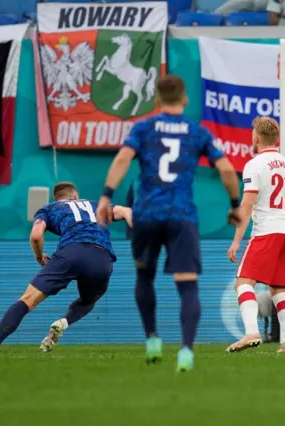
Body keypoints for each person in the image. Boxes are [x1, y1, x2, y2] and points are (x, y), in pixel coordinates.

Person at [96, 75, 242, 371]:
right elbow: (227, 169)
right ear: (185, 99)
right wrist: (235, 205)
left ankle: (152, 339)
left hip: (146, 215)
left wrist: (105, 196)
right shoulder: (197, 132)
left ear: (157, 101)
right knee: (187, 286)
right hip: (181, 217)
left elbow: (123, 158)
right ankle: (186, 351)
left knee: (144, 277)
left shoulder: (143, 128)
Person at [0, 182, 132, 354]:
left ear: (57, 198)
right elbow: (126, 211)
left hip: (69, 254)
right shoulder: (95, 205)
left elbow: (36, 235)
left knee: (28, 300)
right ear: (75, 196)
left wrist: (39, 256)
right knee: (88, 301)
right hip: (101, 257)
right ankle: (64, 322)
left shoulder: (49, 209)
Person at [226, 117, 285, 353]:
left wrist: (237, 240)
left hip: (267, 231)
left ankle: (251, 332)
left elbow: (247, 206)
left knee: (243, 282)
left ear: (256, 137)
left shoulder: (254, 165)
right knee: (279, 288)